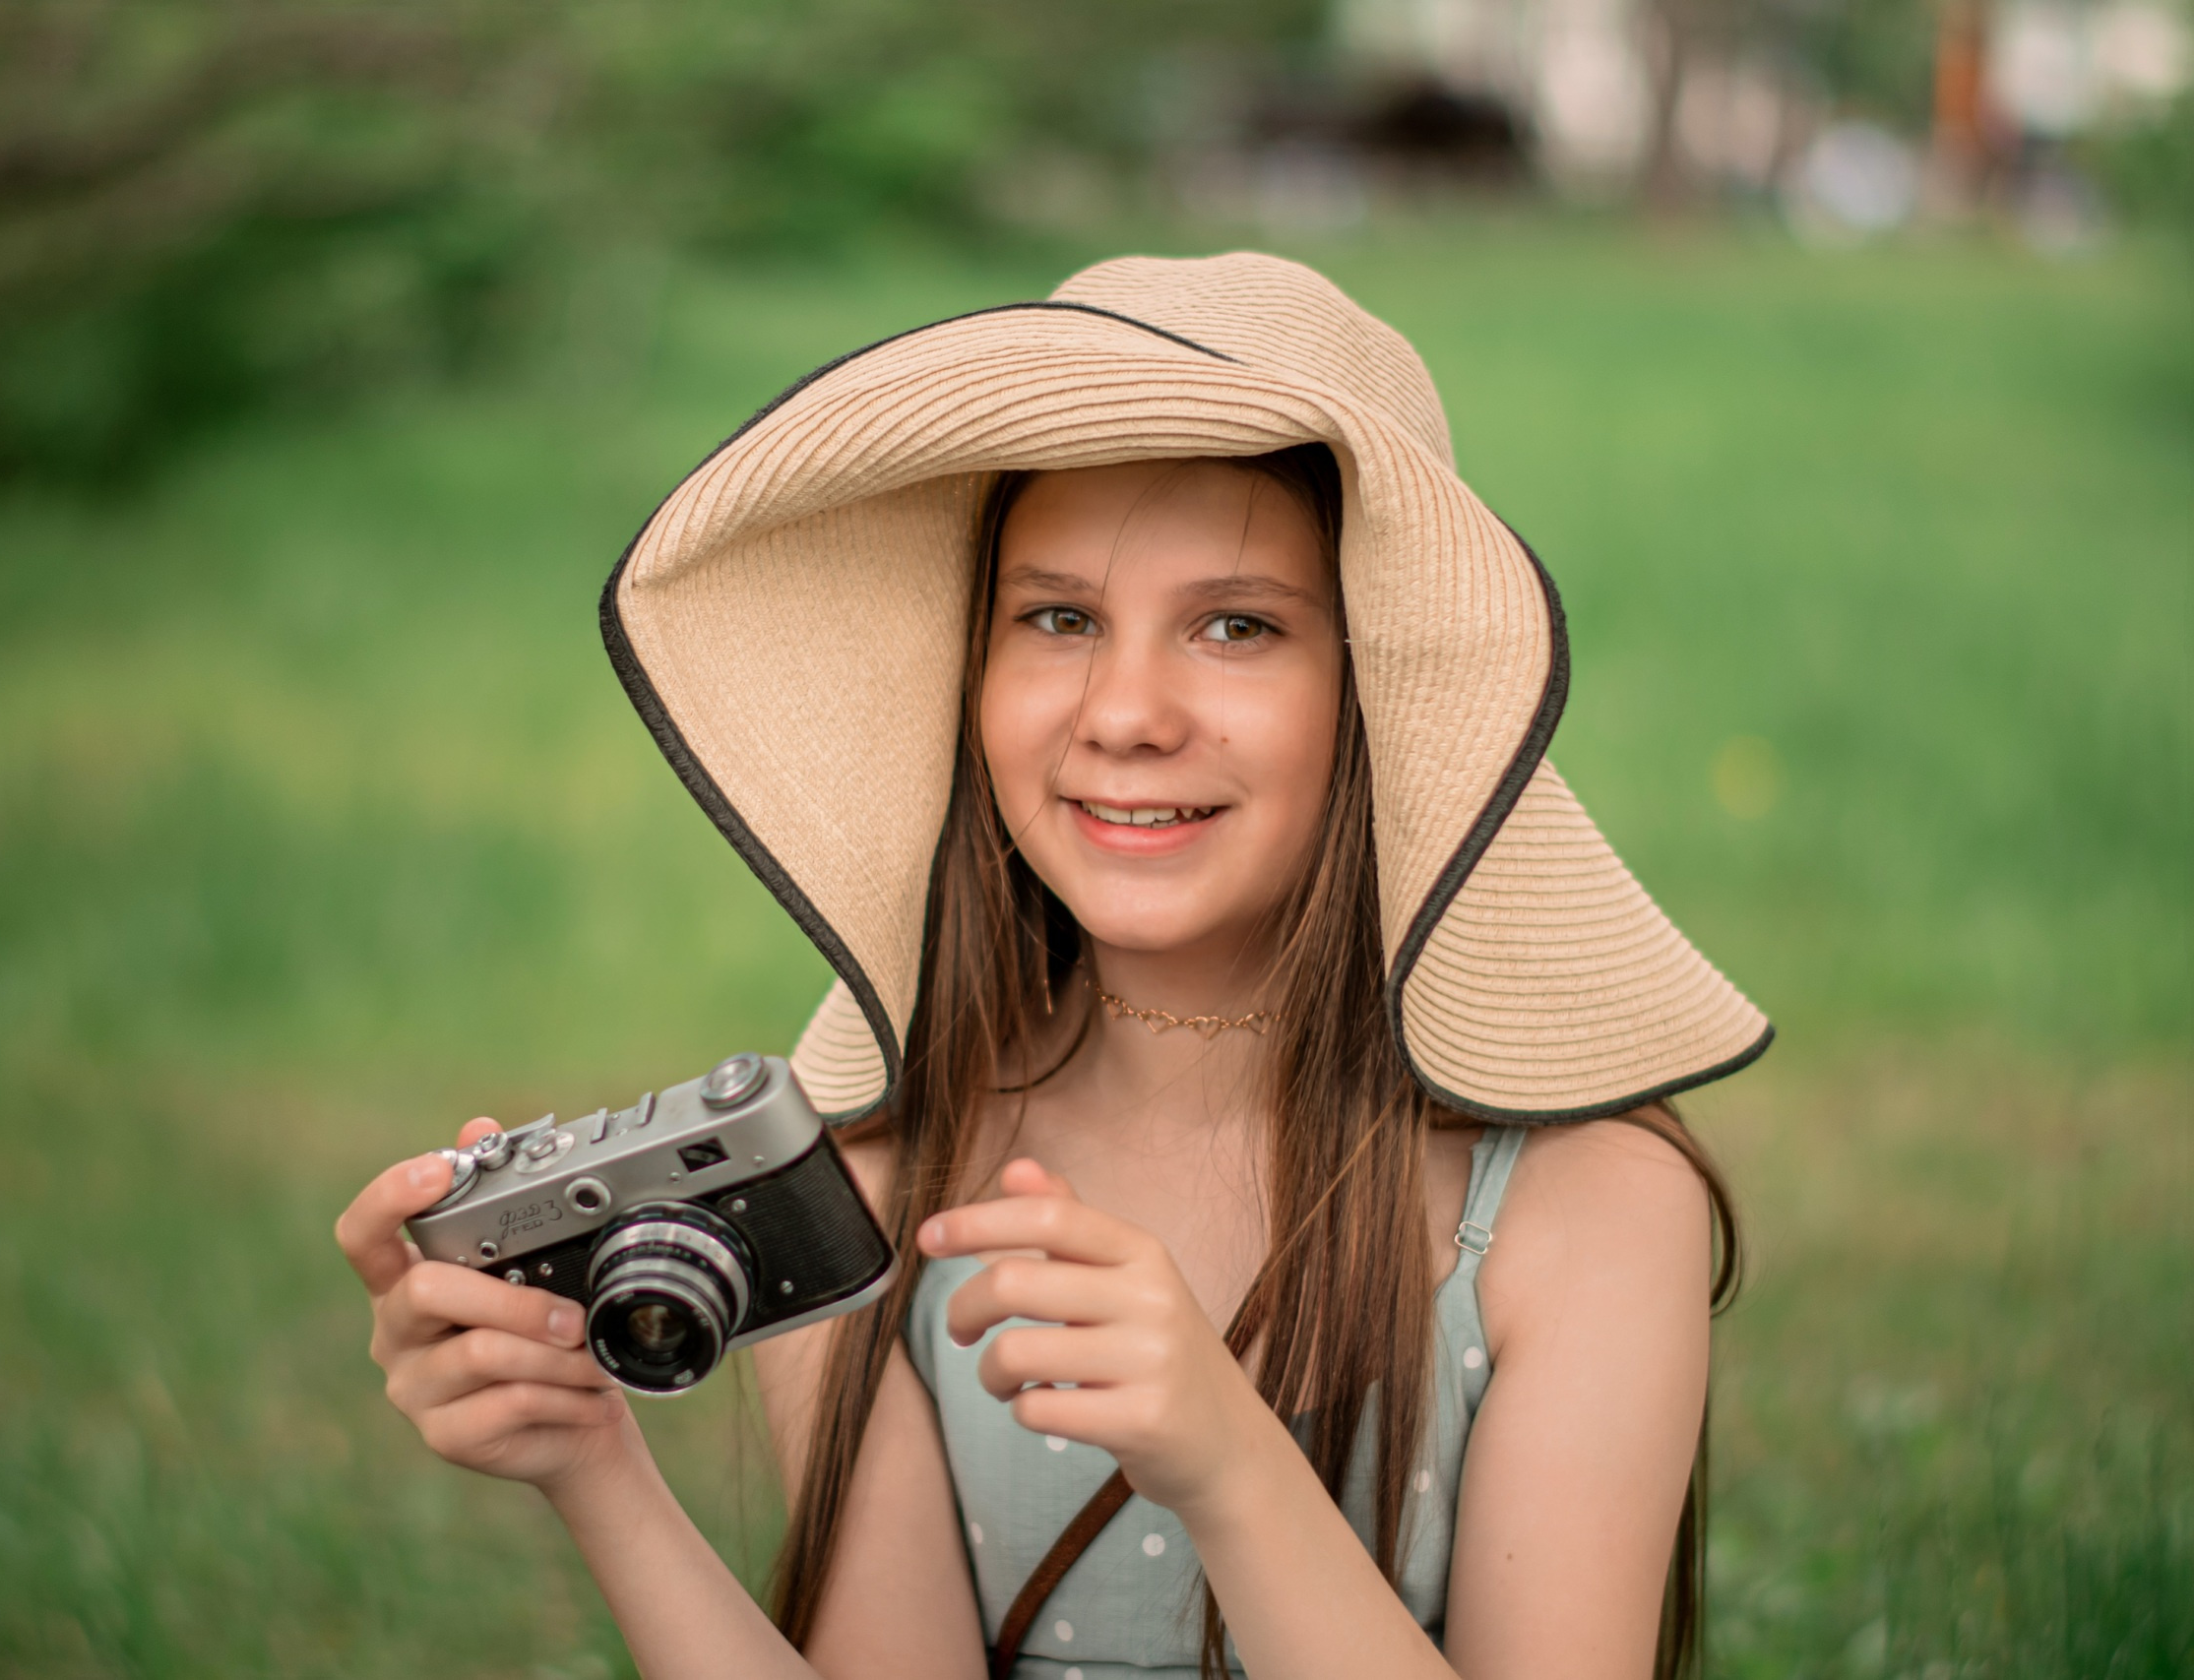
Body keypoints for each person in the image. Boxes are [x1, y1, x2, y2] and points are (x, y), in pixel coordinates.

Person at [336, 254, 1772, 1680]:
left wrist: (1228, 1467)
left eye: (1237, 625)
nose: (1127, 712)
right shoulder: (881, 1181)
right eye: (1059, 618)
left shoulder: (1579, 1206)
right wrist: (591, 1461)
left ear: (1379, 688)